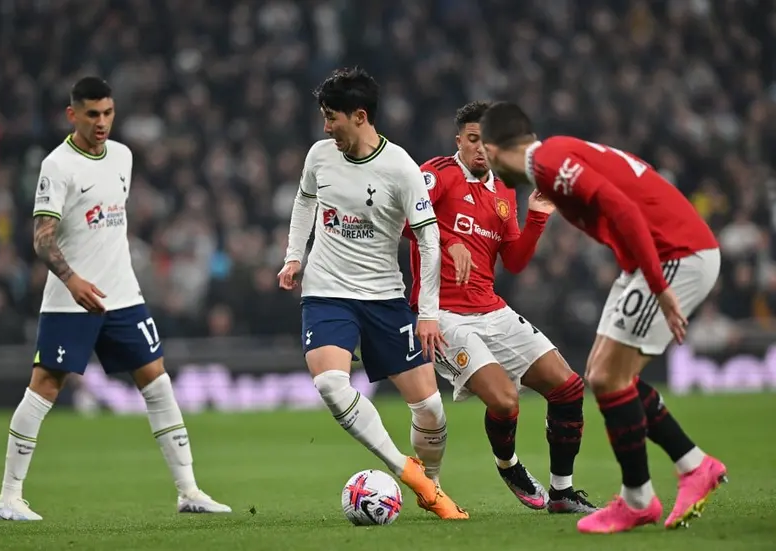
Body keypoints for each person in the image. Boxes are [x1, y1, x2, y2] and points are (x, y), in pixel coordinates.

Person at [479, 101, 727, 534]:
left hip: (675, 255)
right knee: (603, 374)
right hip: (652, 260)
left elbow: (625, 210)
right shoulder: (556, 159)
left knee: (611, 378)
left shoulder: (551, 161)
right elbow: (635, 180)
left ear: (495, 149)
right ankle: (694, 465)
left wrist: (658, 285)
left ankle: (638, 498)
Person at [0, 77, 230, 521]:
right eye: (92, 114)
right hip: (70, 298)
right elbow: (42, 239)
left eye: (108, 113)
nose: (102, 123)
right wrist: (72, 279)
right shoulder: (57, 165)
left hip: (122, 294)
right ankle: (9, 497)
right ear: (73, 115)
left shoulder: (123, 156)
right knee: (46, 385)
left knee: (157, 382)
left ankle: (189, 491)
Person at [277, 67, 468, 520]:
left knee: (431, 410)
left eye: (332, 118)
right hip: (326, 292)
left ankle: (432, 483)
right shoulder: (320, 156)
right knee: (329, 382)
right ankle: (408, 471)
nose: (326, 128)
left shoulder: (401, 169)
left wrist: (427, 314)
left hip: (384, 297)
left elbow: (428, 239)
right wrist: (294, 256)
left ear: (359, 116)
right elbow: (305, 200)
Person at [404, 101, 597, 514]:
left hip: (492, 309)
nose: (480, 149)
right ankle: (508, 464)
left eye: (487, 142)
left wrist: (538, 220)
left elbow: (514, 261)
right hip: (444, 316)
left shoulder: (506, 190)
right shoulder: (436, 174)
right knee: (506, 401)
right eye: (472, 140)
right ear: (459, 141)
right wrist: (448, 241)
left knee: (568, 389)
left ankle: (562, 493)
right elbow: (405, 219)